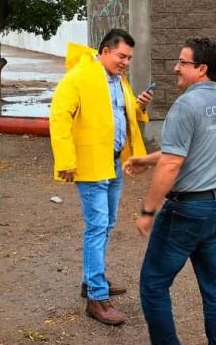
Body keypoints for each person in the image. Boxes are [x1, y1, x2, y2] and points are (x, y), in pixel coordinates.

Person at [124, 38, 216, 345]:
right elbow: (190, 150)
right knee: (213, 287)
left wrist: (148, 211)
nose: (175, 67)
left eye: (182, 62)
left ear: (201, 68)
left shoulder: (186, 104)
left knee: (153, 285)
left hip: (189, 210)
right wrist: (147, 159)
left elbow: (172, 163)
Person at [49, 29, 153, 325]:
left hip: (114, 163)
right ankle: (96, 297)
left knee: (106, 224)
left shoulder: (118, 80)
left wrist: (140, 106)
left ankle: (91, 280)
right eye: (122, 56)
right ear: (105, 50)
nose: (125, 63)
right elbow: (59, 115)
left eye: (129, 58)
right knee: (97, 227)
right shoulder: (79, 76)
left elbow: (120, 113)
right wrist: (66, 160)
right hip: (91, 164)